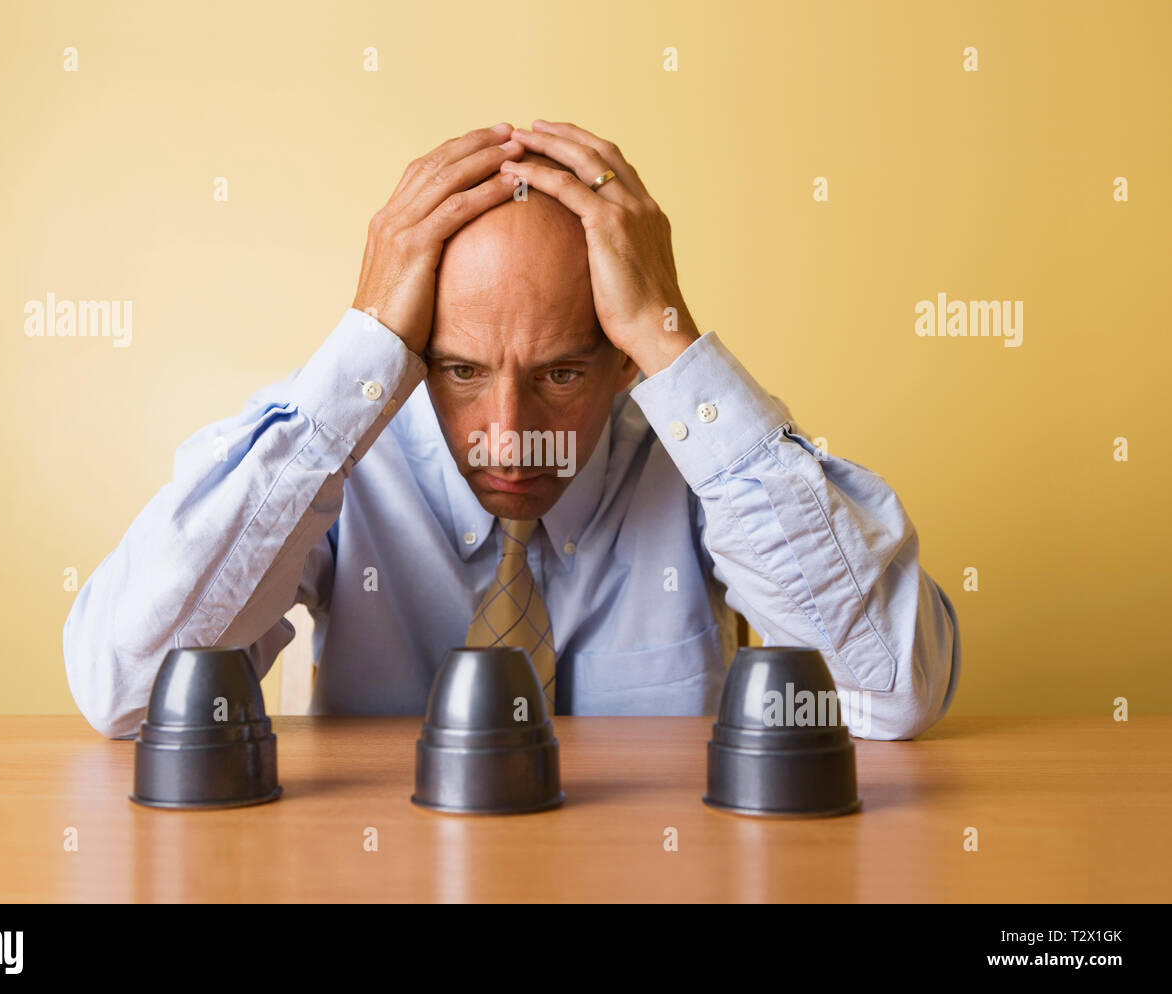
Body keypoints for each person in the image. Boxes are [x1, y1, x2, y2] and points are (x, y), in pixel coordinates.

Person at [63, 119, 960, 740]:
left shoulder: (698, 459)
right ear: (412, 355)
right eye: (459, 370)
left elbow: (888, 696)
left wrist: (674, 343)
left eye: (562, 373)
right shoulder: (341, 461)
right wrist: (357, 358)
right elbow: (127, 694)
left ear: (623, 362)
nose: (507, 433)